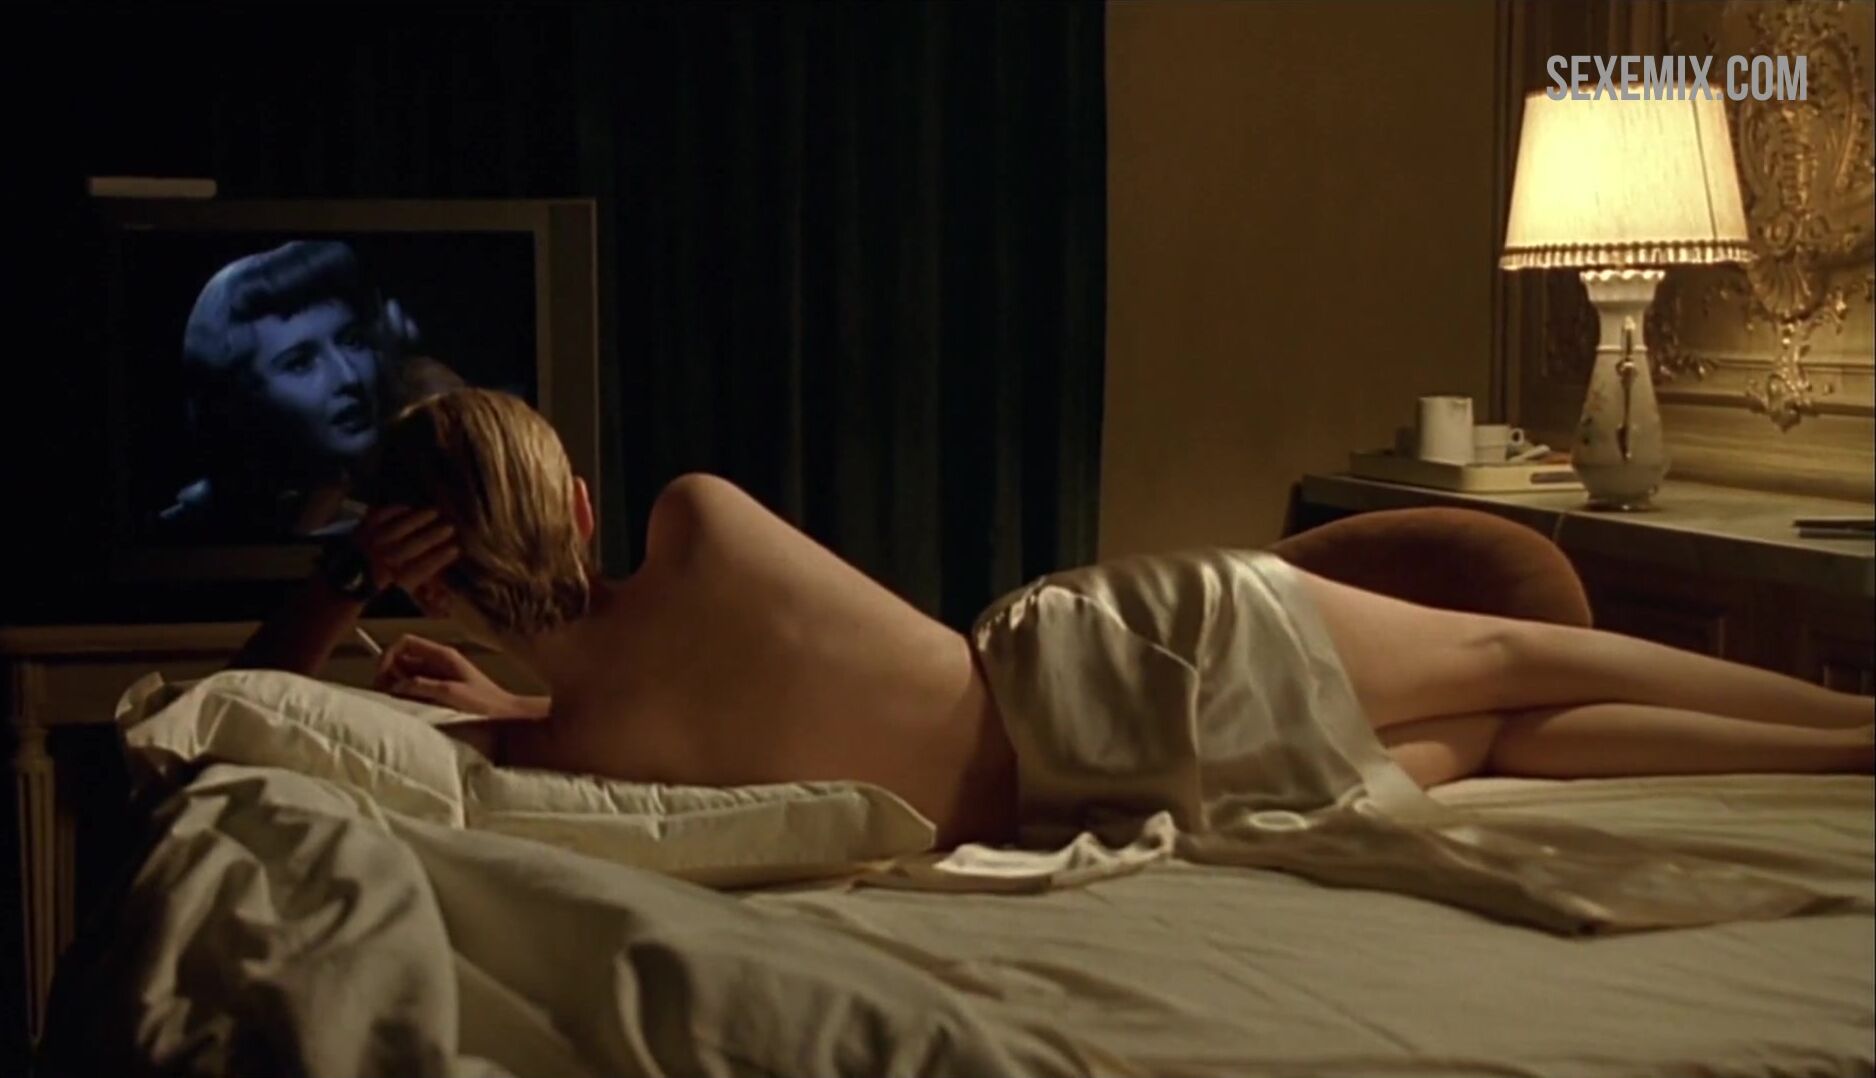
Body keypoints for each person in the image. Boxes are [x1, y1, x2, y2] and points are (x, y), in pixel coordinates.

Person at [233, 389, 1874, 851]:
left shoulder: (580, 749)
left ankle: (1852, 753)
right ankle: (1855, 727)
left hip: (1103, 792)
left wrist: (356, 597)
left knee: (1502, 722)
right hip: (1106, 653)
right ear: (580, 501)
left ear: (427, 575)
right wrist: (515, 681)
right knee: (1511, 664)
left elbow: (227, 711)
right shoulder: (696, 517)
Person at [158, 240, 420, 540]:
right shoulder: (186, 536)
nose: (349, 377)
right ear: (243, 399)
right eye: (300, 364)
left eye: (352, 341)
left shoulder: (418, 490)